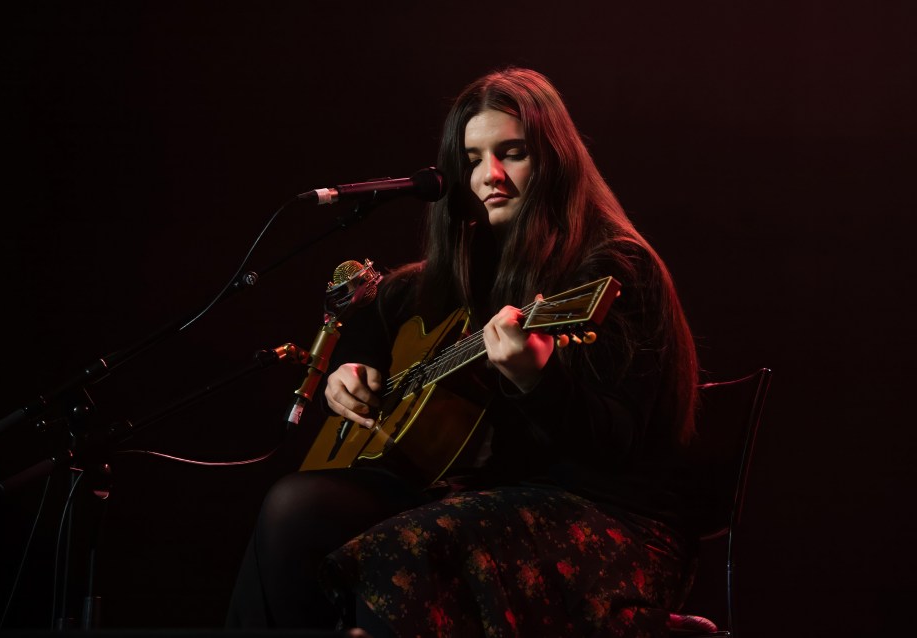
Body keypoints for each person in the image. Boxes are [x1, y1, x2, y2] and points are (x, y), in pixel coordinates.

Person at [226, 67, 700, 637]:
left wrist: (538, 380)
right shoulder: (462, 269)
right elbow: (378, 323)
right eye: (472, 159)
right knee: (294, 507)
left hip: (607, 514)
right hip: (477, 494)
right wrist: (347, 378)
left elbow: (616, 443)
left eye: (513, 152)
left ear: (555, 160)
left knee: (399, 548)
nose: (489, 175)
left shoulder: (615, 267)